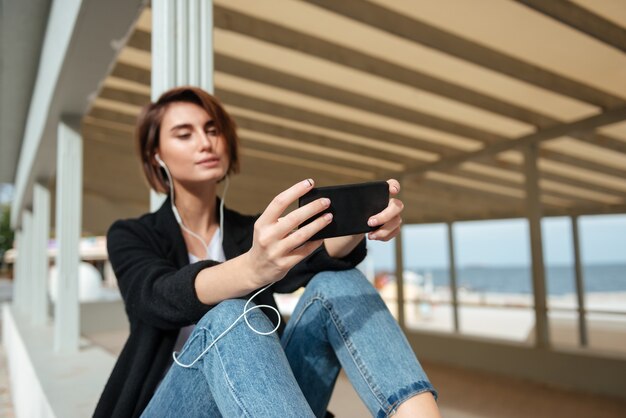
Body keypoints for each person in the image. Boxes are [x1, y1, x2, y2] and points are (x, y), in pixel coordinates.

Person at [94, 86, 440, 418]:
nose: (205, 143)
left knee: (340, 285)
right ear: (156, 156)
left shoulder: (249, 231)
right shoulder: (132, 234)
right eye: (184, 134)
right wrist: (252, 269)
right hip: (175, 405)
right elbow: (156, 297)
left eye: (212, 130)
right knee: (229, 317)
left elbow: (313, 258)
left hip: (260, 401)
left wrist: (365, 224)